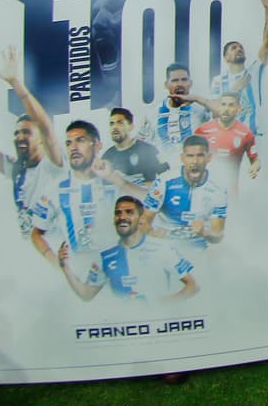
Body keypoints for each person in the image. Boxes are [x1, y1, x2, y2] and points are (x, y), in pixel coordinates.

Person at [0, 47, 64, 235]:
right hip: (31, 247)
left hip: (55, 245)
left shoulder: (53, 165)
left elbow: (45, 126)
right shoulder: (16, 168)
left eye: (26, 132)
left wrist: (15, 82)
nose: (19, 137)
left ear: (41, 140)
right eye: (17, 133)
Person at [30, 121, 148, 269]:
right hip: (79, 274)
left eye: (80, 140)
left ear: (97, 145)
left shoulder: (113, 180)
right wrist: (55, 262)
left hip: (119, 269)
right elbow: (36, 233)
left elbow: (150, 200)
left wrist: (112, 177)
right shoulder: (56, 189)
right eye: (68, 143)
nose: (73, 147)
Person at [58, 195, 198, 302]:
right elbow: (86, 294)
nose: (122, 217)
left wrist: (164, 304)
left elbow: (192, 286)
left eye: (129, 212)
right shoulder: (105, 256)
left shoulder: (162, 248)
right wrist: (65, 267)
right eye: (118, 213)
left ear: (140, 218)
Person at [144, 135, 228, 255]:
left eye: (200, 156)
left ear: (209, 158)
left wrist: (204, 232)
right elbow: (144, 220)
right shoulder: (164, 181)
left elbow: (218, 235)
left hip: (197, 248)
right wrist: (153, 233)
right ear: (182, 158)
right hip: (164, 247)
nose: (195, 162)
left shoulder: (218, 189)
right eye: (190, 156)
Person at [209, 0, 268, 137]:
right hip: (229, 137)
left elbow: (267, 43)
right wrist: (234, 89)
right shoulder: (218, 81)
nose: (238, 49)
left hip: (253, 136)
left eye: (240, 48)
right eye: (233, 48)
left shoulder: (253, 72)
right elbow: (213, 111)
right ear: (226, 57)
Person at [142, 63, 215, 169]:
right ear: (166, 85)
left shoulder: (201, 109)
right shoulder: (153, 113)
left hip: (195, 170)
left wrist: (197, 99)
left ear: (190, 83)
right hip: (166, 172)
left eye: (184, 80)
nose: (179, 84)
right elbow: (144, 145)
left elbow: (222, 114)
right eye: (175, 80)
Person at [195, 93, 261, 197]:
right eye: (223, 104)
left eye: (231, 105)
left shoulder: (245, 133)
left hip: (230, 193)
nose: (226, 109)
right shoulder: (203, 130)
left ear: (238, 108)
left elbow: (254, 159)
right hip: (205, 192)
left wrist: (254, 167)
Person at [101, 107, 168, 186]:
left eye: (120, 122)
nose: (115, 127)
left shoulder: (149, 150)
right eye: (112, 123)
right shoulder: (107, 157)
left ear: (131, 126)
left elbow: (167, 178)